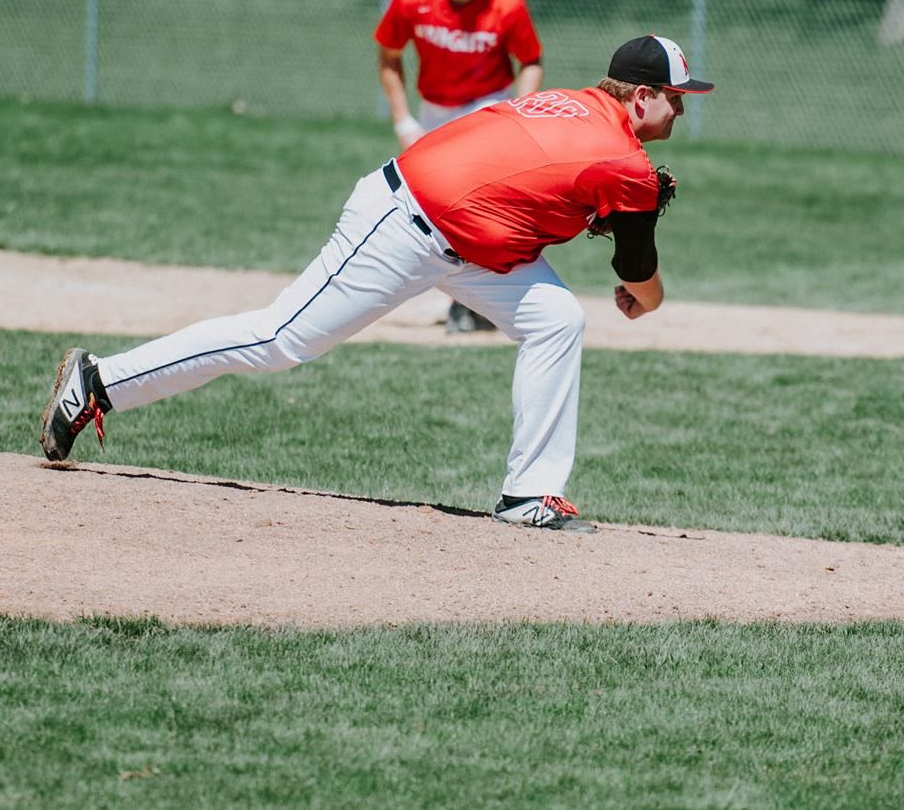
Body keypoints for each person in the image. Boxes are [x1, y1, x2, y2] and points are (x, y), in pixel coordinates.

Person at [39, 34, 710, 533]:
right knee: (281, 339)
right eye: (676, 99)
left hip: (473, 241)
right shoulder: (625, 163)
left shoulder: (575, 102)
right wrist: (645, 292)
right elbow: (637, 278)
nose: (681, 112)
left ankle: (529, 494)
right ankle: (99, 382)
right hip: (405, 223)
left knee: (557, 319)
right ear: (641, 95)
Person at [375, 0, 545, 334]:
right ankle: (467, 296)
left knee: (474, 201)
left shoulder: (506, 1)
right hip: (434, 109)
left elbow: (531, 60)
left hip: (488, 105)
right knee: (432, 205)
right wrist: (403, 120)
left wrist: (519, 113)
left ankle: (470, 303)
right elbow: (389, 54)